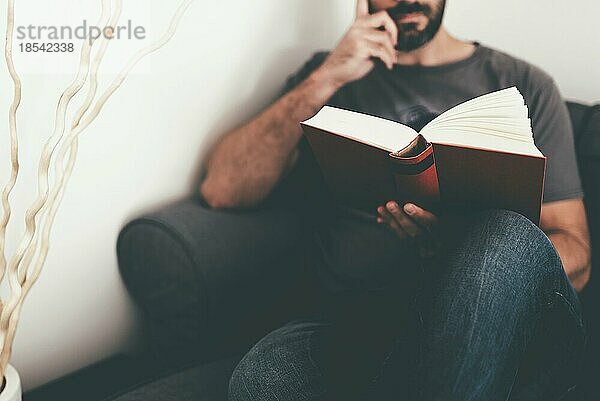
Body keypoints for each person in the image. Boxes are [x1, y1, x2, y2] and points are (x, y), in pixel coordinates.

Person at [201, 1, 592, 400]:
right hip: (368, 322)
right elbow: (222, 189)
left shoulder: (522, 85)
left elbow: (577, 258)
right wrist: (327, 77)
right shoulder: (335, 75)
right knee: (264, 377)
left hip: (498, 328)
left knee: (504, 232)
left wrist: (467, 248)